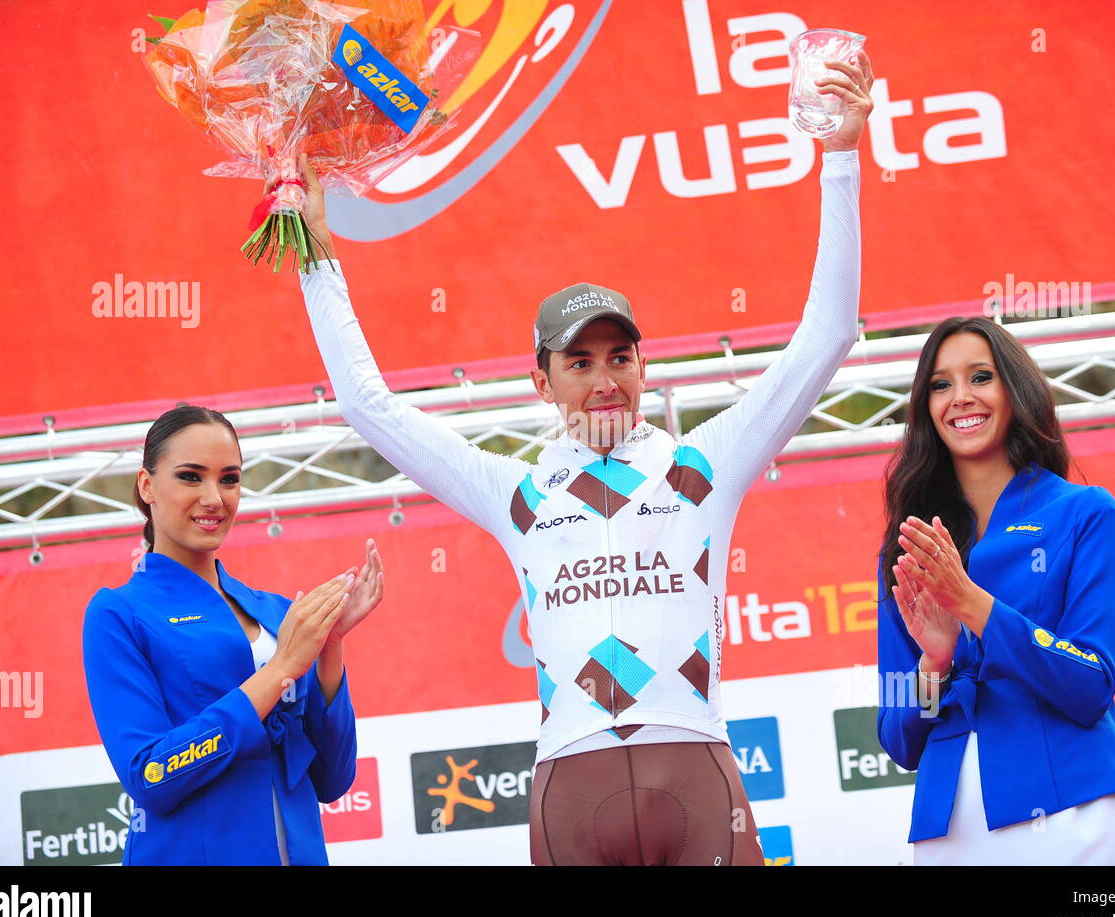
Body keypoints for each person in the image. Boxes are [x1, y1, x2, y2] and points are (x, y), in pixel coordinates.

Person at [288, 55, 872, 865]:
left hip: (695, 770)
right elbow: (367, 405)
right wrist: (318, 258)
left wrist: (841, 157)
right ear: (542, 378)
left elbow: (829, 332)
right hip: (570, 787)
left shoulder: (705, 465)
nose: (605, 381)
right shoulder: (514, 491)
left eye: (620, 358)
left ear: (644, 366)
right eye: (580, 362)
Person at [875, 316, 1115, 864]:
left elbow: (1089, 683)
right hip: (948, 831)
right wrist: (933, 663)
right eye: (940, 383)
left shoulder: (1085, 513)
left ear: (1015, 389)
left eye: (980, 376)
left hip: (1079, 810)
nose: (960, 398)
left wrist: (971, 603)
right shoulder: (910, 547)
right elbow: (899, 738)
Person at [82, 404, 384, 864]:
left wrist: (328, 650)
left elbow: (332, 779)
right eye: (190, 476)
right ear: (147, 486)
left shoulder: (278, 612)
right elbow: (152, 777)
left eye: (229, 478)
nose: (213, 498)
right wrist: (281, 668)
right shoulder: (118, 612)